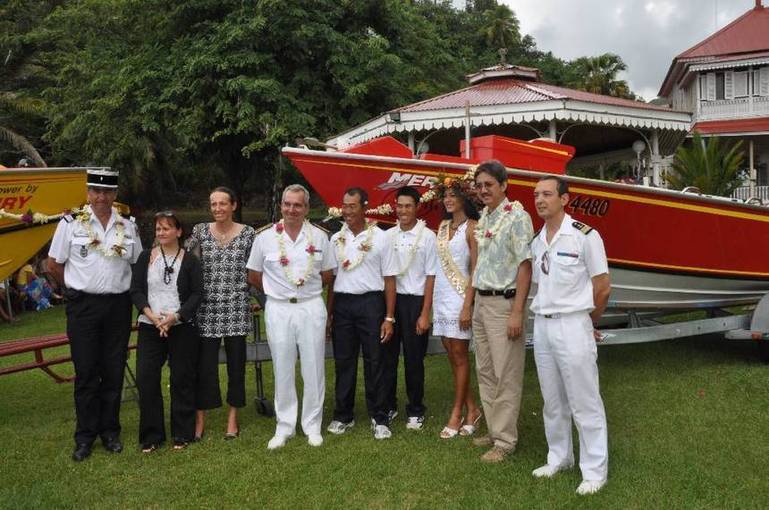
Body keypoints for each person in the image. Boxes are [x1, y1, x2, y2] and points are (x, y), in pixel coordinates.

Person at [47, 168, 143, 462]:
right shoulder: (70, 223)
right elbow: (53, 264)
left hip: (117, 306)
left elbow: (137, 262)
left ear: (115, 195)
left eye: (107, 192)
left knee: (113, 370)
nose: (101, 197)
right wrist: (72, 290)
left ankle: (110, 432)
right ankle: (85, 437)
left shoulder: (128, 226)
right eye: (96, 191)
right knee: (87, 372)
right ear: (88, 193)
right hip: (83, 308)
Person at [529, 175, 611, 495]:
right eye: (536, 194)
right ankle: (559, 457)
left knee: (584, 401)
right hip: (544, 325)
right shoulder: (538, 241)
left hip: (573, 324)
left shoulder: (585, 236)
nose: (540, 200)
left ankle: (594, 471)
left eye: (547, 194)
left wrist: (587, 323)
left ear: (564, 199)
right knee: (552, 400)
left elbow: (602, 287)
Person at [247, 184, 335, 449]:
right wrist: (277, 292)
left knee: (313, 367)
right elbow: (253, 275)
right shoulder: (265, 237)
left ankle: (312, 425)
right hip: (279, 308)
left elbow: (328, 275)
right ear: (281, 205)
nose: (291, 209)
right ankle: (284, 426)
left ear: (307, 208)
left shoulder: (320, 237)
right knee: (282, 366)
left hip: (310, 306)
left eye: (297, 205)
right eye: (287, 204)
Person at [471, 159, 533, 463]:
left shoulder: (517, 217)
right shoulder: (485, 216)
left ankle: (506, 441)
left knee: (505, 372)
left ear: (504, 186)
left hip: (504, 304)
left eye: (489, 185)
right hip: (482, 302)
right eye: (479, 185)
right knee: (485, 370)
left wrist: (517, 311)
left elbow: (525, 265)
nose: (483, 190)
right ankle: (495, 430)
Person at [326, 187, 398, 440]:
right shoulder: (336, 239)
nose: (346, 211)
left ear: (364, 207)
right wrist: (329, 314)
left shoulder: (381, 237)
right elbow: (333, 280)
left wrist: (389, 317)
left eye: (352, 206)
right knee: (344, 361)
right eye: (344, 206)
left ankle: (380, 417)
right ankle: (343, 415)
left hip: (371, 303)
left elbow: (390, 279)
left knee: (375, 360)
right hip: (344, 304)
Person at [130, 211, 204, 452]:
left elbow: (197, 295)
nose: (161, 233)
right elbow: (136, 290)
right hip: (151, 325)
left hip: (180, 326)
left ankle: (182, 433)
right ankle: (152, 435)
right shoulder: (145, 257)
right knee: (146, 377)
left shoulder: (191, 261)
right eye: (158, 229)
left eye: (167, 228)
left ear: (179, 231)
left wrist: (175, 317)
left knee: (181, 378)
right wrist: (151, 315)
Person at [190, 186, 256, 440]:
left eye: (222, 203)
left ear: (234, 205)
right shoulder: (199, 232)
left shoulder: (248, 234)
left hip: (237, 309)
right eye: (213, 204)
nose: (217, 208)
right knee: (204, 368)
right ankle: (200, 418)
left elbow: (255, 269)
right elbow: (185, 262)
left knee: (236, 367)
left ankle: (232, 418)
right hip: (206, 310)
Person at [382, 186, 438, 431]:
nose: (403, 210)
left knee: (414, 360)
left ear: (417, 207)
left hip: (416, 302)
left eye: (408, 206)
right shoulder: (388, 235)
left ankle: (416, 409)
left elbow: (431, 276)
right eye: (400, 205)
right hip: (392, 303)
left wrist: (425, 313)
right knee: (388, 357)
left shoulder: (428, 237)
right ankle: (389, 405)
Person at [432, 185, 482, 439]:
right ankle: (472, 408)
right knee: (451, 354)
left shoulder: (472, 228)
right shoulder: (441, 228)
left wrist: (467, 306)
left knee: (460, 355)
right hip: (441, 298)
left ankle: (456, 413)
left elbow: (476, 268)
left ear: (464, 198)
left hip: (460, 298)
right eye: (446, 195)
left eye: (454, 195)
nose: (449, 199)